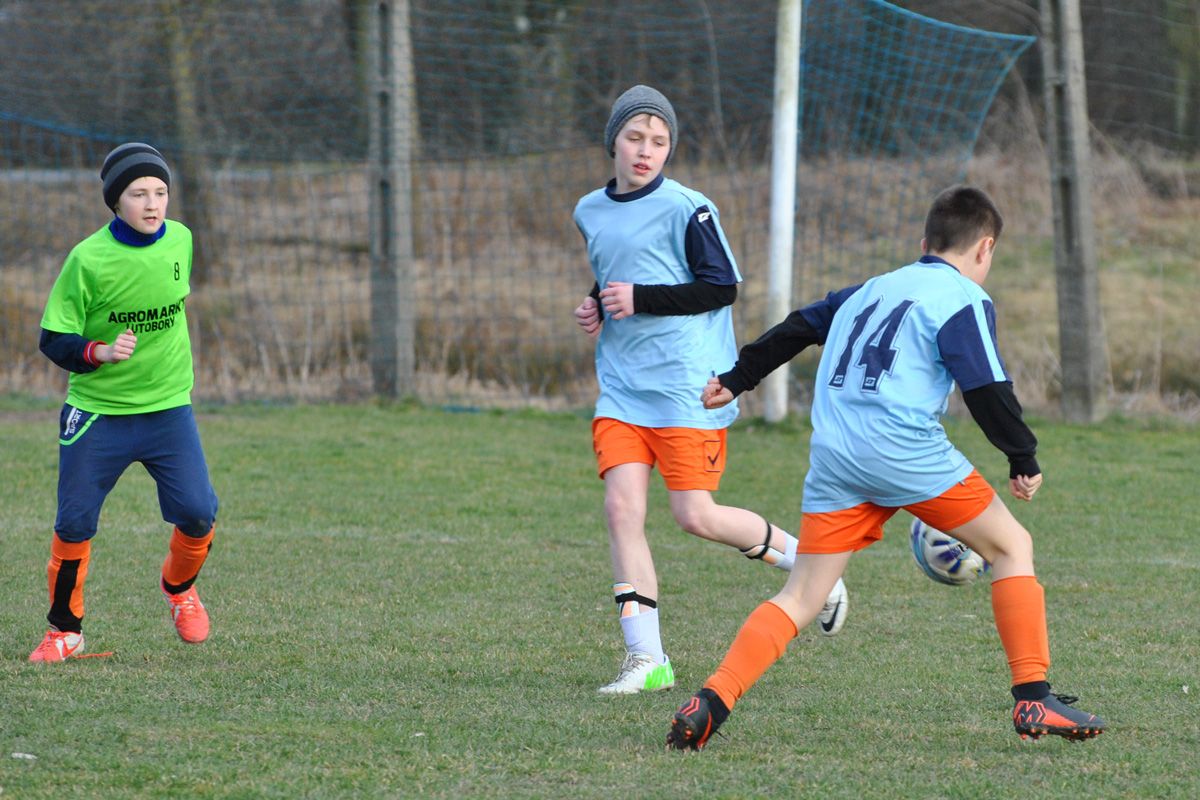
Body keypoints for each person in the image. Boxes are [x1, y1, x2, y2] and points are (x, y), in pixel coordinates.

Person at [666, 185, 1106, 747]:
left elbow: (798, 326)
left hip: (835, 456)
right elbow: (986, 387)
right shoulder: (963, 297)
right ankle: (1034, 697)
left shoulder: (870, 289)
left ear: (925, 244)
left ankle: (710, 703)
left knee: (801, 596)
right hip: (903, 451)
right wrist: (1021, 455)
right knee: (1011, 546)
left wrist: (737, 377)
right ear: (985, 248)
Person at [573, 85, 848, 695]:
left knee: (695, 516)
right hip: (622, 389)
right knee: (621, 511)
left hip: (686, 388)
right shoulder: (589, 209)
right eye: (635, 138)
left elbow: (721, 287)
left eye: (659, 141)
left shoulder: (689, 208)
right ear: (613, 142)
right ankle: (647, 661)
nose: (646, 151)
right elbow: (617, 271)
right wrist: (596, 302)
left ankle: (815, 569)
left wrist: (639, 299)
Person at [28, 142, 220, 663]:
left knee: (198, 512)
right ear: (115, 201)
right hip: (99, 412)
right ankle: (65, 630)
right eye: (138, 193)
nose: (152, 203)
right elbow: (53, 339)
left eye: (160, 192)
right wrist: (99, 351)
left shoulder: (181, 240)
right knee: (73, 524)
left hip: (167, 409)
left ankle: (179, 589)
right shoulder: (87, 259)